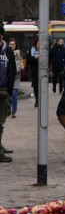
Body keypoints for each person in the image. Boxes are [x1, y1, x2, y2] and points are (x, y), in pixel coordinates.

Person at [0, 24, 15, 162]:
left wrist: (10, 90)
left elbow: (12, 70)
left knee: (1, 121)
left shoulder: (8, 52)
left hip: (4, 90)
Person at [8, 38, 22, 117]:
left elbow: (20, 64)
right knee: (8, 94)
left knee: (14, 93)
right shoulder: (5, 52)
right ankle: (8, 109)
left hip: (16, 75)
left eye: (13, 44)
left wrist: (19, 68)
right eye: (11, 44)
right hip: (8, 76)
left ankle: (14, 110)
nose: (12, 45)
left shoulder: (18, 53)